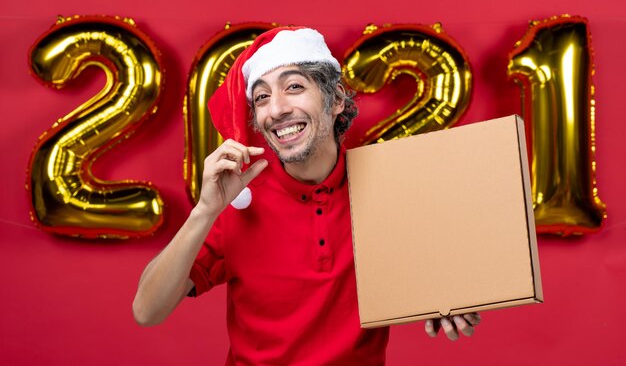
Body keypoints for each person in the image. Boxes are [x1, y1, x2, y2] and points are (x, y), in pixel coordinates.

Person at [132, 27, 481, 365]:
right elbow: (147, 311)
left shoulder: (388, 189)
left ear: (336, 101)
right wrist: (204, 211)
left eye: (294, 87)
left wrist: (447, 298)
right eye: (262, 97)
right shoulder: (237, 201)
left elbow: (430, 273)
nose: (276, 109)